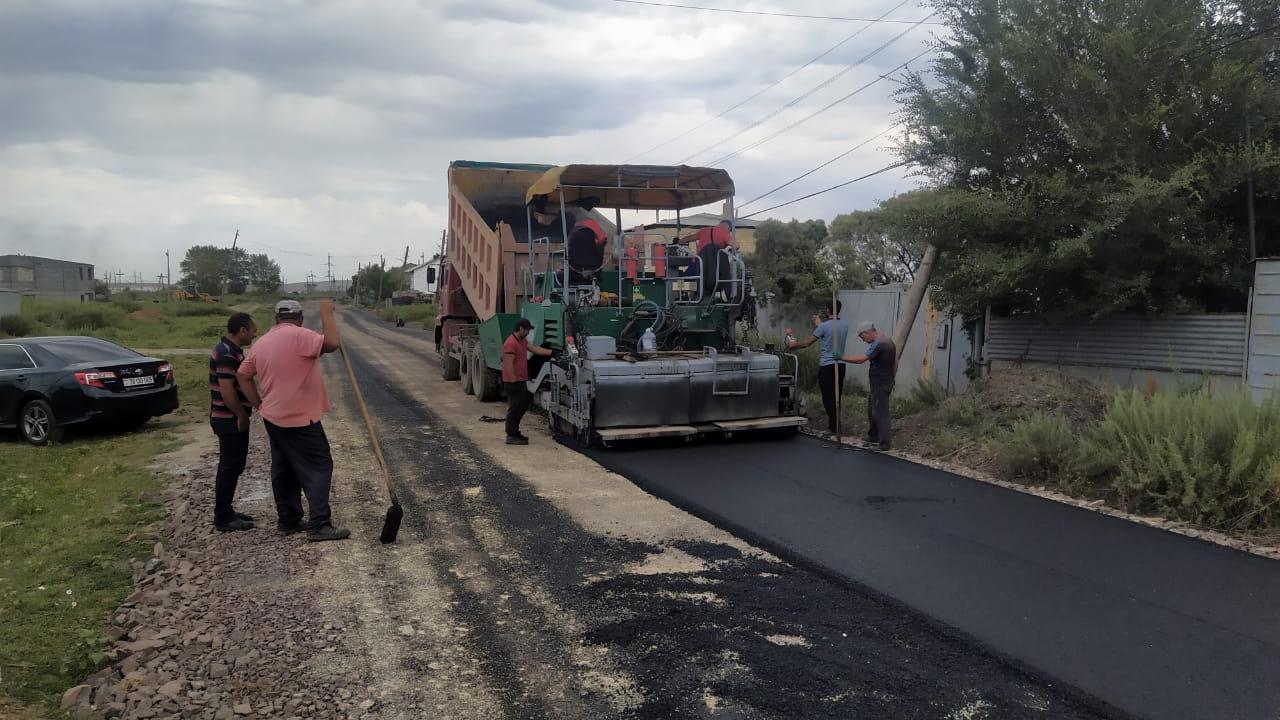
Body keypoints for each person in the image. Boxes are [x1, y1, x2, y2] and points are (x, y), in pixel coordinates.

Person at [238, 299, 349, 541]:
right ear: (299, 318)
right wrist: (326, 313)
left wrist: (259, 404)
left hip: (273, 417)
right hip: (300, 419)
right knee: (319, 466)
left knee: (284, 467)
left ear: (276, 319)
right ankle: (319, 524)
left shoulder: (261, 343)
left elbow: (243, 375)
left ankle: (288, 520)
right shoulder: (301, 336)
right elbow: (332, 342)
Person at [209, 312, 259, 532]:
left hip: (227, 417)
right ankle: (223, 517)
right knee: (229, 467)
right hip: (228, 418)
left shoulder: (230, 350)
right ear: (242, 331)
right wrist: (241, 415)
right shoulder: (227, 354)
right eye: (252, 329)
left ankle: (227, 510)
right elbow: (227, 390)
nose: (254, 333)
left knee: (234, 465)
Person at [787, 301, 849, 436]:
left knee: (828, 397)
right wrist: (819, 323)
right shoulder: (845, 325)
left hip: (827, 366)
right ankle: (836, 425)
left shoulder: (824, 327)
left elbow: (807, 343)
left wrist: (793, 344)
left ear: (827, 310)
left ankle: (834, 427)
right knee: (837, 395)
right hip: (841, 365)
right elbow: (830, 330)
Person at [843, 321, 898, 451]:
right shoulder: (888, 340)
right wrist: (891, 377)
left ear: (867, 332)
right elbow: (896, 362)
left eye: (862, 337)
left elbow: (861, 359)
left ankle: (884, 444)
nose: (863, 340)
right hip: (883, 381)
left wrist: (841, 357)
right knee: (872, 408)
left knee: (880, 412)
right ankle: (873, 436)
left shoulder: (879, 344)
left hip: (880, 383)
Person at [502, 318, 554, 445]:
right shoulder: (510, 343)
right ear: (521, 329)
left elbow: (534, 349)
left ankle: (515, 432)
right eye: (527, 330)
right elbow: (508, 363)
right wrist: (513, 380)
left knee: (522, 406)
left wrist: (552, 353)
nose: (528, 333)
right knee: (514, 409)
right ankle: (511, 435)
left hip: (521, 380)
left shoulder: (522, 341)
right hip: (513, 382)